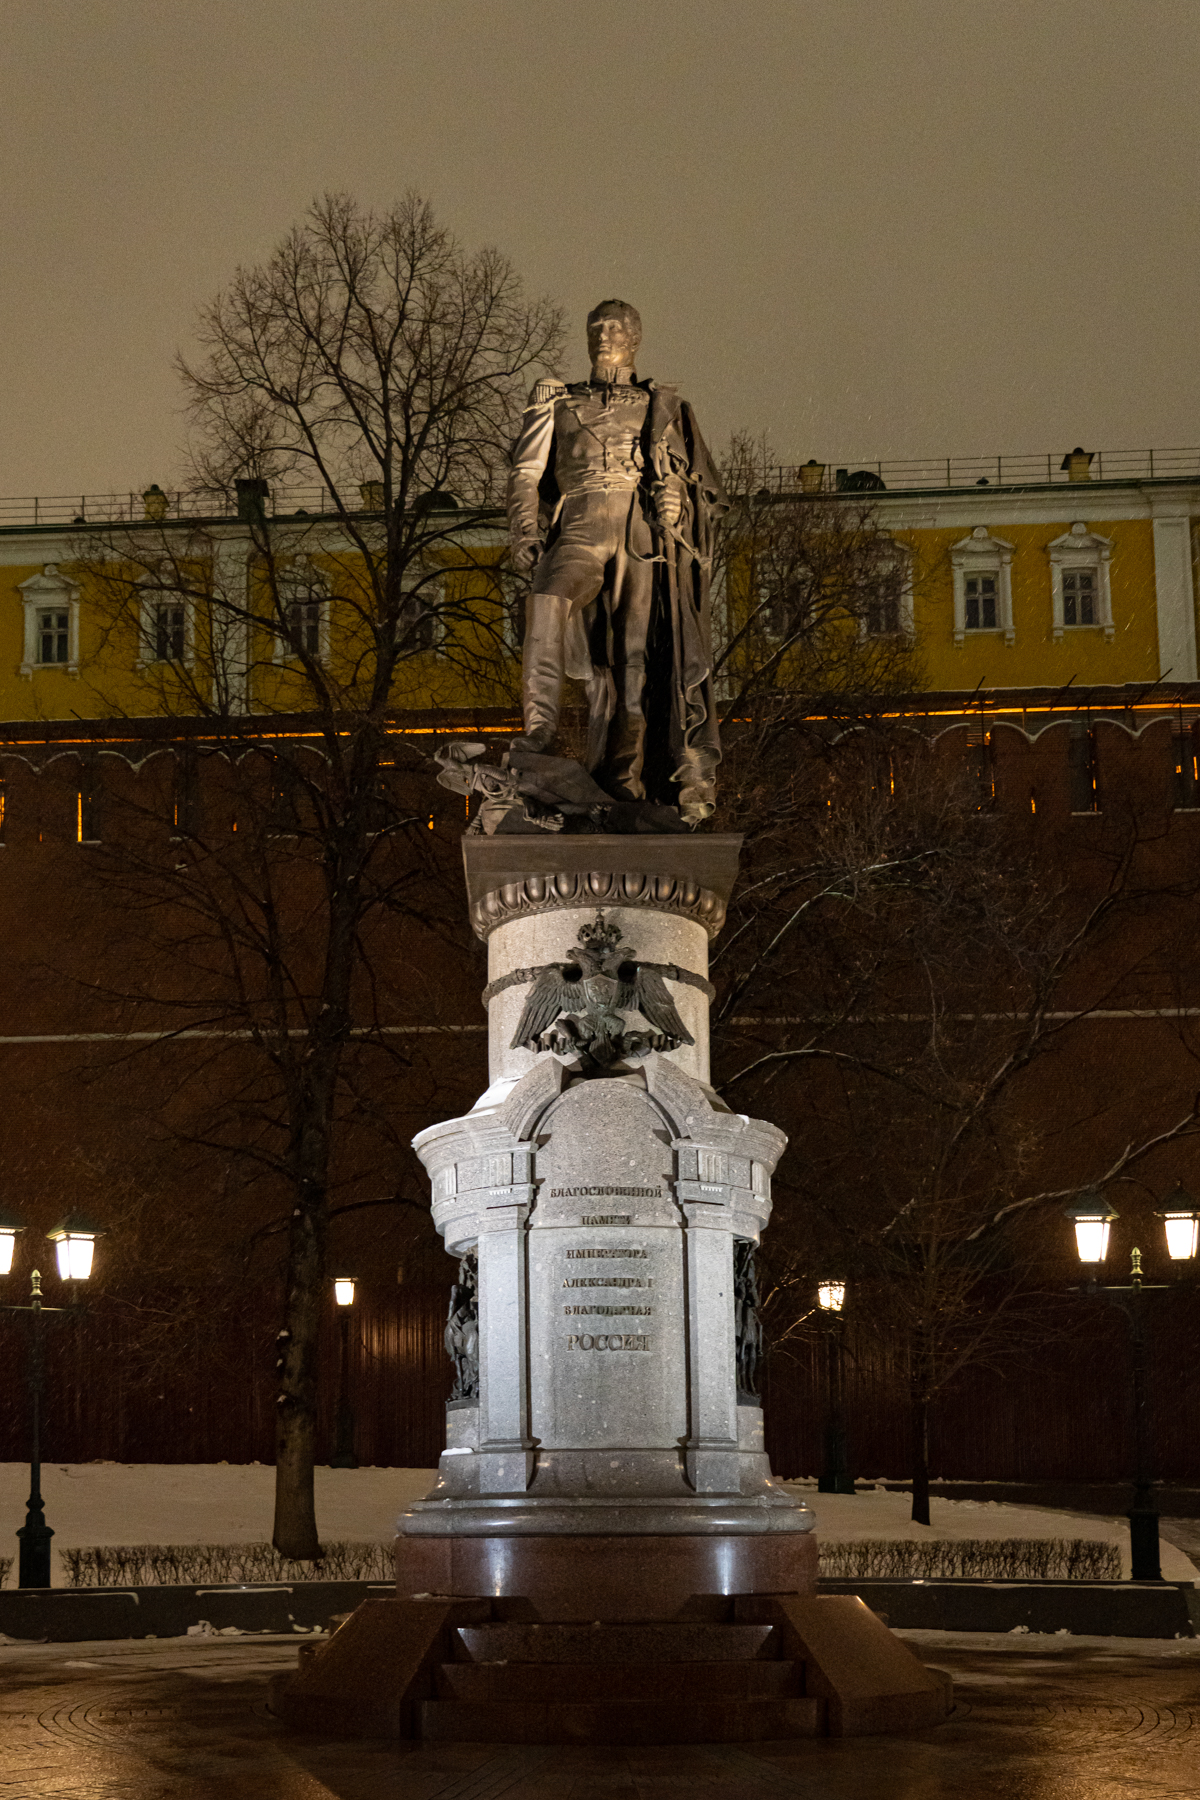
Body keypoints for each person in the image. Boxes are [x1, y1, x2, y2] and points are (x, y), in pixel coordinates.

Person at [506, 300, 728, 824]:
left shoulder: (663, 406)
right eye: (596, 327)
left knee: (634, 662)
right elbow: (524, 473)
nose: (604, 335)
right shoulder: (558, 402)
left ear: (635, 338)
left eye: (615, 327)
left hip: (639, 533)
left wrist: (677, 500)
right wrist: (525, 532)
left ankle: (624, 783)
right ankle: (538, 734)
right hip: (580, 525)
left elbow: (699, 488)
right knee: (545, 601)